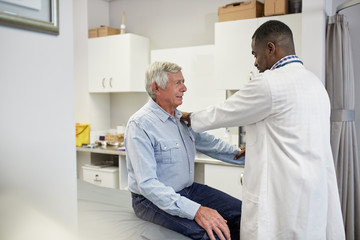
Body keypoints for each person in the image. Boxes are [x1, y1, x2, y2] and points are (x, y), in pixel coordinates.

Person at [182, 20, 345, 239]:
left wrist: (188, 117)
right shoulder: (314, 83)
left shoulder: (269, 83)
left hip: (284, 195)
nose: (255, 62)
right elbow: (295, 131)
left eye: (255, 54)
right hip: (313, 190)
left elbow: (225, 112)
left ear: (270, 48)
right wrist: (260, 145)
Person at [125, 61, 245, 240]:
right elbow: (148, 184)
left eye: (183, 81)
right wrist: (196, 211)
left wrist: (248, 157)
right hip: (149, 200)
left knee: (242, 214)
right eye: (178, 83)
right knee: (211, 233)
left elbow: (212, 144)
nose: (185, 88)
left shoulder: (181, 119)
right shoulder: (140, 125)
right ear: (156, 88)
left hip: (188, 190)